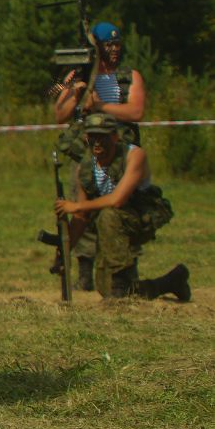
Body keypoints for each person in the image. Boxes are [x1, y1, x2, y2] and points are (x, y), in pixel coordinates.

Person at [48, 21, 146, 292]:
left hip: (119, 157)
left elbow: (136, 112)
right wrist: (76, 93)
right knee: (81, 213)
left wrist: (100, 105)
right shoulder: (77, 76)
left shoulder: (128, 77)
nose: (114, 49)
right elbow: (60, 114)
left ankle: (125, 274)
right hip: (85, 154)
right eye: (108, 44)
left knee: (120, 212)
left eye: (117, 43)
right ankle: (83, 272)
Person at [57, 113, 189, 302]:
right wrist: (63, 252)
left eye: (102, 136)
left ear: (115, 137)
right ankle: (171, 282)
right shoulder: (84, 169)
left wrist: (76, 206)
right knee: (106, 289)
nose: (97, 142)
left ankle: (120, 282)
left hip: (140, 220)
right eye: (92, 136)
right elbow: (81, 218)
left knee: (109, 215)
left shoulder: (134, 155)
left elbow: (118, 199)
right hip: (110, 229)